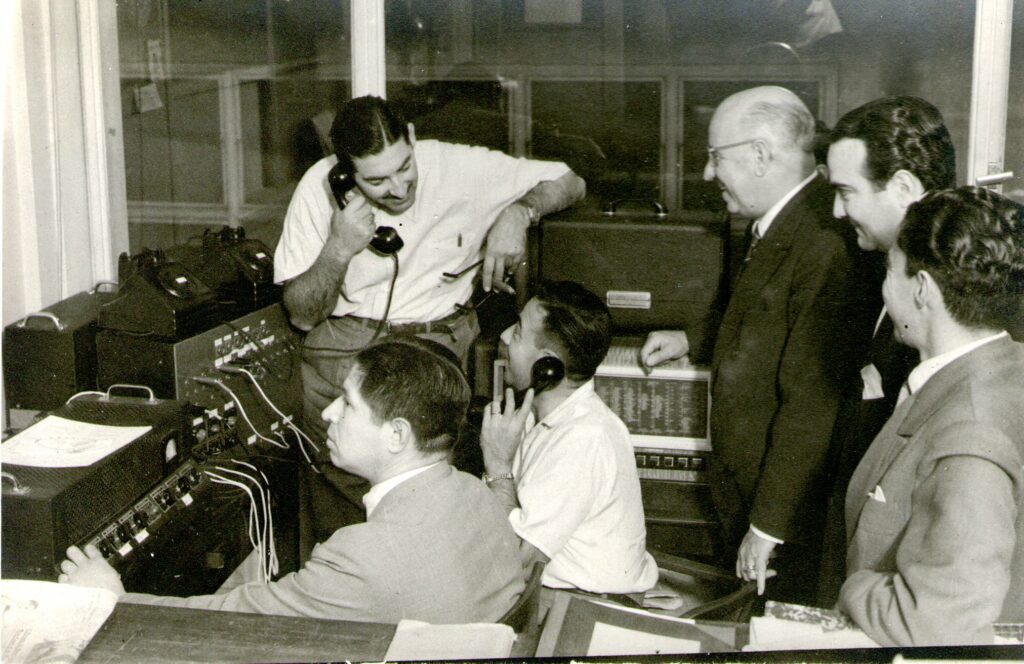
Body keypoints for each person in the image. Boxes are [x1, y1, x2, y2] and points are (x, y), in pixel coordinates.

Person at [273, 95, 586, 556]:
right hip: (348, 349)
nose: (398, 189)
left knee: (432, 504)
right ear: (345, 175)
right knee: (346, 511)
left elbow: (570, 180)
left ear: (414, 139)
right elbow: (301, 313)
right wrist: (339, 247)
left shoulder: (458, 165)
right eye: (377, 180)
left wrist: (519, 213)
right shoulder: (317, 189)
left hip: (437, 344)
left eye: (404, 168)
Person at [57, 340, 525, 625]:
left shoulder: (362, 558)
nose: (327, 413)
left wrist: (116, 601)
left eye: (347, 403)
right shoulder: (478, 494)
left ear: (398, 434)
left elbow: (236, 624)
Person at [640, 86, 875, 604]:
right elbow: (765, 319)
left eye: (715, 157)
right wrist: (692, 339)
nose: (707, 174)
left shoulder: (825, 241)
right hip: (750, 489)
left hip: (785, 511)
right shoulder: (781, 221)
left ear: (762, 155)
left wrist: (769, 525)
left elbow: (813, 400)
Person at [840, 187, 1024, 646]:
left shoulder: (969, 432)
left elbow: (939, 621)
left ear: (922, 290)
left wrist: (853, 588)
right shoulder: (1005, 367)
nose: (885, 287)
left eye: (890, 271)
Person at [817, 95, 956, 604]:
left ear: (902, 188)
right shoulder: (875, 275)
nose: (836, 210)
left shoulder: (949, 313)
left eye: (845, 192)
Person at [479, 280, 658, 598]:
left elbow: (516, 560)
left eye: (518, 331)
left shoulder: (582, 439)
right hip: (558, 588)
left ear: (546, 366)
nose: (505, 336)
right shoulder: (546, 413)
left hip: (580, 601)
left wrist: (497, 466)